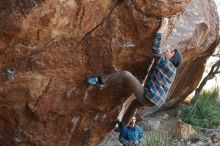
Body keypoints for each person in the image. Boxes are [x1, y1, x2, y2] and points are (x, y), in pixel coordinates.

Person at [86, 17, 183, 124]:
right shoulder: (172, 70)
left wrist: (162, 27)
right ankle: (123, 126)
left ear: (173, 59)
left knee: (125, 75)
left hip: (148, 97)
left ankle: (99, 80)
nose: (169, 50)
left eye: (172, 52)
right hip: (153, 101)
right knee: (134, 104)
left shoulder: (166, 64)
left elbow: (155, 48)